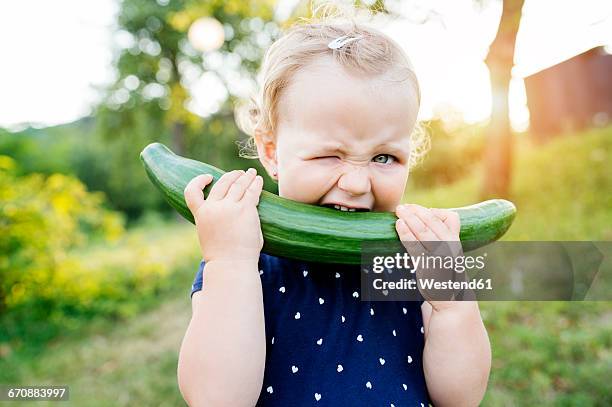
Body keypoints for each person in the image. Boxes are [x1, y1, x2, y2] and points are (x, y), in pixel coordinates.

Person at [177, 7, 491, 407]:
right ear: (272, 151)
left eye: (384, 158)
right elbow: (217, 399)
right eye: (330, 156)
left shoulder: (410, 263)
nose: (357, 184)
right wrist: (229, 263)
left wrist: (452, 303)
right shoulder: (242, 258)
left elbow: (460, 398)